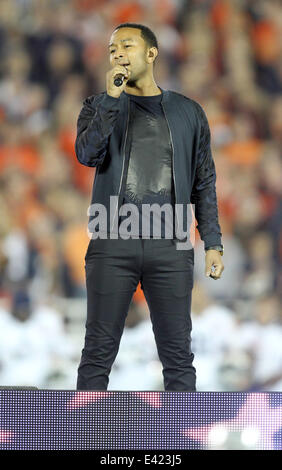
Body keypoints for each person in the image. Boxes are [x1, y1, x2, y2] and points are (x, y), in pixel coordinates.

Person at [75, 22, 224, 391]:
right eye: (112, 50)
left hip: (170, 243)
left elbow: (203, 180)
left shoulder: (189, 112)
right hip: (112, 238)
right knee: (97, 352)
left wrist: (213, 242)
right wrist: (111, 101)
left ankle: (178, 441)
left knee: (177, 356)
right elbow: (87, 154)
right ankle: (83, 439)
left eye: (126, 45)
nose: (118, 54)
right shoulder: (96, 105)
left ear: (151, 53)